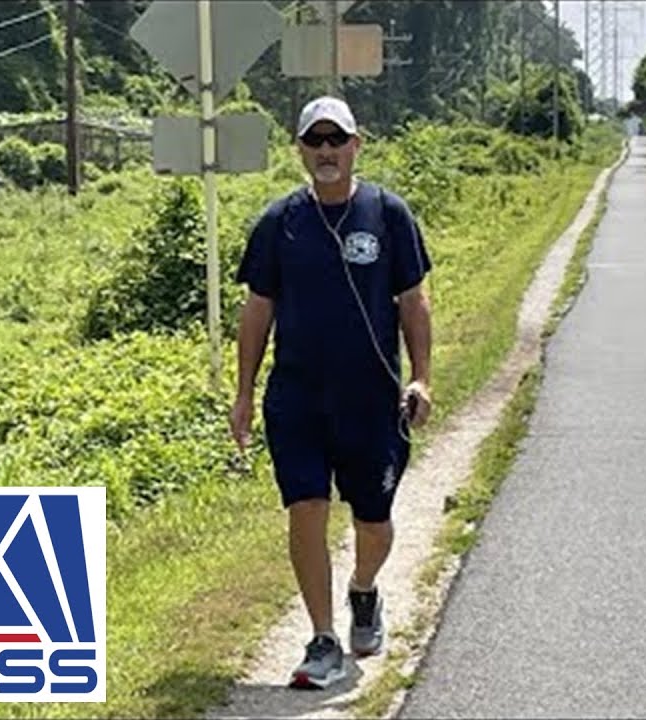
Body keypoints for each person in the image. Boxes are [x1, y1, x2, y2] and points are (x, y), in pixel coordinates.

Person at [229, 95, 434, 690]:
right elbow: (257, 310)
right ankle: (322, 638)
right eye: (313, 140)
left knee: (375, 522)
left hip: (372, 400)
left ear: (355, 146)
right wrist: (243, 393)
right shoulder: (278, 223)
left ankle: (363, 590)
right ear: (299, 149)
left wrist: (421, 376)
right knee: (306, 508)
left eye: (335, 139)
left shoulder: (387, 214)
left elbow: (413, 302)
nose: (325, 150)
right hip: (297, 399)